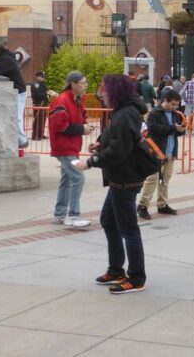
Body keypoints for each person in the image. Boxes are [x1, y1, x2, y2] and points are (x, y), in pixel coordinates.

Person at [73, 74, 150, 294]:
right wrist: (101, 144)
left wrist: (90, 162)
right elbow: (119, 139)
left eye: (105, 90)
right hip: (121, 177)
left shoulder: (126, 114)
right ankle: (116, 269)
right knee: (109, 220)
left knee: (129, 229)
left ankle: (136, 278)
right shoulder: (124, 111)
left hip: (125, 178)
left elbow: (119, 151)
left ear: (115, 92)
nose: (102, 94)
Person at [49, 71, 94, 228]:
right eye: (82, 83)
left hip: (71, 147)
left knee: (67, 179)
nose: (85, 85)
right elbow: (59, 125)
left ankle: (60, 214)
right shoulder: (63, 100)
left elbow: (79, 119)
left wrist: (84, 126)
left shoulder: (76, 101)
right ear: (73, 84)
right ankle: (73, 215)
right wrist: (81, 128)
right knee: (78, 177)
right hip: (64, 147)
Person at [137, 89, 186, 220]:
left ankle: (162, 204)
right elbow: (155, 129)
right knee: (152, 180)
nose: (175, 107)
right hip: (156, 152)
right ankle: (143, 206)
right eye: (173, 104)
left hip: (170, 152)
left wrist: (181, 129)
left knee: (165, 180)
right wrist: (173, 128)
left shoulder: (175, 114)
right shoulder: (154, 113)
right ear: (165, 101)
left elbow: (176, 131)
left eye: (176, 105)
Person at [30, 70, 49, 140]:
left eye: (44, 77)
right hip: (38, 105)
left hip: (43, 105)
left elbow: (45, 93)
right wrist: (47, 93)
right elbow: (38, 94)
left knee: (42, 121)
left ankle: (41, 134)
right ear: (37, 77)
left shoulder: (42, 85)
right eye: (42, 77)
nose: (43, 78)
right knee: (37, 121)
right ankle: (34, 135)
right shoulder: (36, 85)